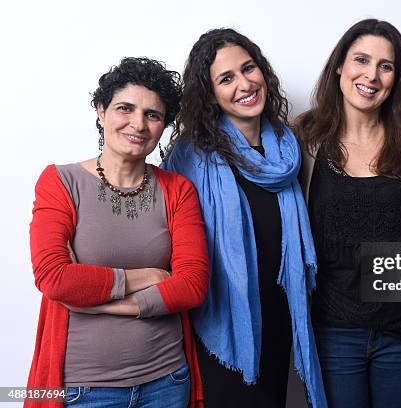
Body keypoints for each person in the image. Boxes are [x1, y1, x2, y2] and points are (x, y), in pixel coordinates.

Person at [26, 57, 209, 408]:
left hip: (167, 382)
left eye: (152, 115)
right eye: (125, 108)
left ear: (163, 126)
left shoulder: (177, 190)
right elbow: (55, 279)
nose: (138, 124)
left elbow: (192, 284)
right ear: (101, 111)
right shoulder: (60, 182)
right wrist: (147, 276)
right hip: (81, 391)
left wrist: (106, 305)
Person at [162, 28, 326, 408]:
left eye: (248, 68)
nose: (244, 84)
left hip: (281, 320)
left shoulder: (287, 149)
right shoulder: (189, 158)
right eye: (226, 78)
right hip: (222, 325)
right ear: (211, 95)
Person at [294, 19, 401, 408]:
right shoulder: (303, 141)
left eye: (385, 66)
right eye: (361, 59)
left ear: (396, 78)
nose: (371, 75)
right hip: (332, 331)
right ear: (339, 65)